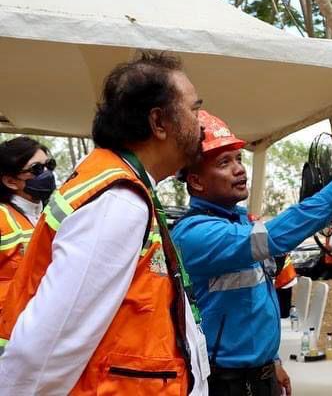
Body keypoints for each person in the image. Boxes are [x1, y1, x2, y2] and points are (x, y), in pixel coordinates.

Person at [0, 52, 209, 395]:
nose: (202, 123)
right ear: (159, 123)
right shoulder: (117, 202)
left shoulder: (126, 188)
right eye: (194, 109)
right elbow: (50, 343)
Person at [172, 111, 332, 396]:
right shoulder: (196, 234)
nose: (239, 169)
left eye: (239, 159)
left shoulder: (240, 221)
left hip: (260, 374)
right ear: (197, 182)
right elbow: (275, 237)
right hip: (226, 382)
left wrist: (272, 360)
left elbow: (255, 302)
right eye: (224, 163)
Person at [0, 137, 56, 308]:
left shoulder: (53, 213)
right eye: (36, 169)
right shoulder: (2, 218)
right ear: (10, 181)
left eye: (49, 165)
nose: (47, 173)